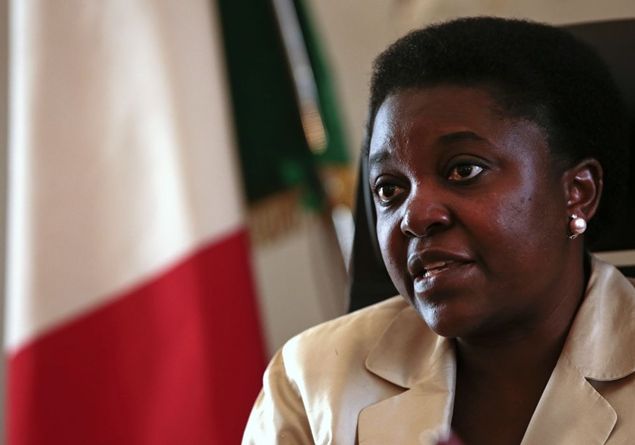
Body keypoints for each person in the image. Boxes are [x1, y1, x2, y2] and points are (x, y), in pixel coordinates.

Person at [242, 17, 634, 444]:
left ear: (577, 193)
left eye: (464, 170)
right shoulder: (312, 379)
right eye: (389, 189)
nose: (414, 216)